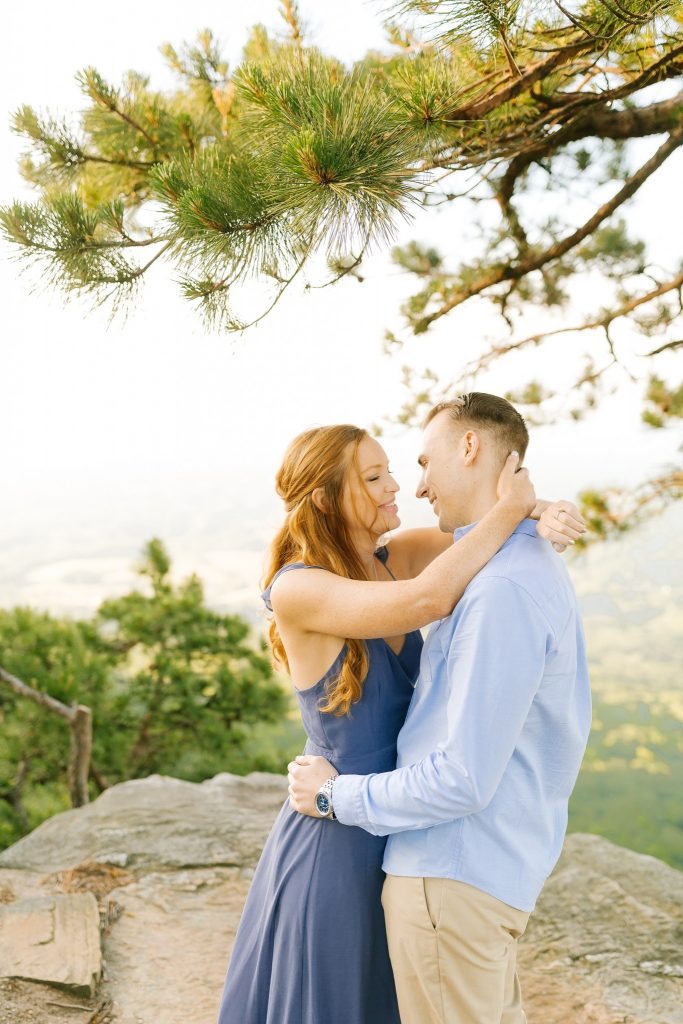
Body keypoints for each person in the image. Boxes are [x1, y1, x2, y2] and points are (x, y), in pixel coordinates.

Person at [217, 415, 584, 1024]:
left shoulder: (398, 555)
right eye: (374, 476)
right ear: (324, 497)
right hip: (336, 833)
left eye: (394, 470)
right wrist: (516, 500)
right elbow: (429, 600)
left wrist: (539, 508)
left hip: (403, 820)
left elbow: (484, 539)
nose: (398, 488)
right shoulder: (299, 589)